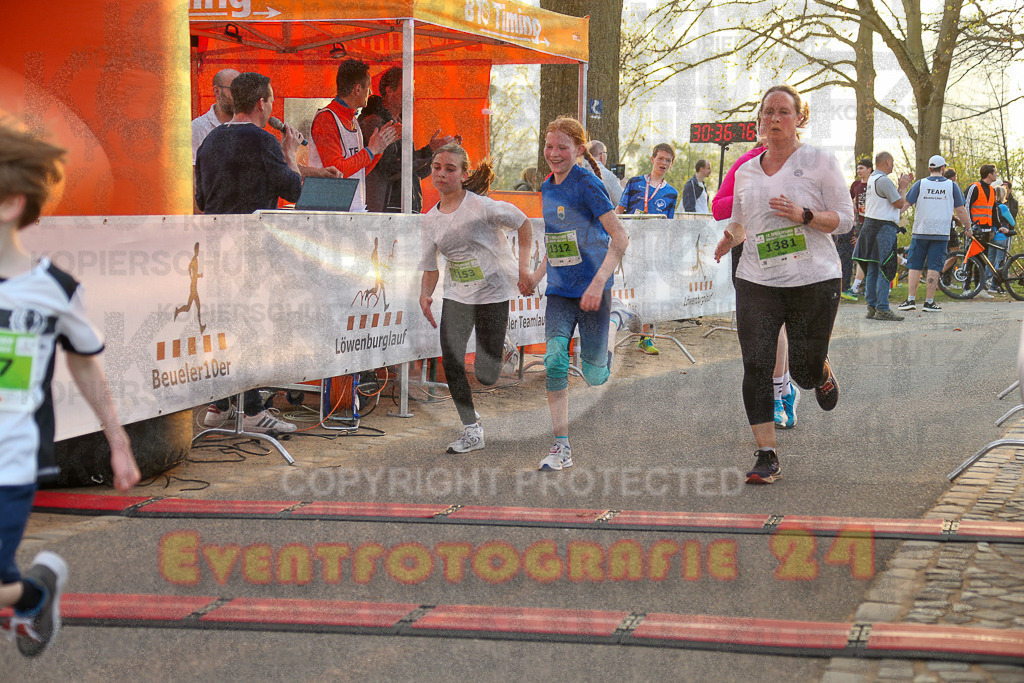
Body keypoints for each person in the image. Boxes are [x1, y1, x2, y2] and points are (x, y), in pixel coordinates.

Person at [0, 123, 141, 657]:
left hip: (11, 457)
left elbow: (87, 368)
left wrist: (119, 444)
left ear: (11, 203)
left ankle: (34, 595)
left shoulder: (54, 290)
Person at [713, 84, 853, 484]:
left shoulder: (820, 162)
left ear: (799, 119)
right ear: (759, 120)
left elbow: (845, 219)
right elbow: (741, 221)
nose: (773, 119)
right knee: (755, 365)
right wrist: (730, 238)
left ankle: (820, 373)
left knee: (803, 371)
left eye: (782, 112)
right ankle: (766, 454)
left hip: (814, 279)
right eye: (767, 112)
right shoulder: (745, 171)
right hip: (758, 279)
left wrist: (804, 215)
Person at [194, 72, 309, 434]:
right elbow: (293, 189)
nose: (273, 106)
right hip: (251, 251)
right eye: (272, 100)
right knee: (250, 329)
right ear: (262, 103)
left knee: (225, 327)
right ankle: (254, 411)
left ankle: (222, 402)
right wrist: (290, 152)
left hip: (215, 249)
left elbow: (200, 198)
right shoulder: (263, 141)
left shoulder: (210, 140)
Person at [418, 144, 534, 453]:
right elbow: (430, 266)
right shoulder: (430, 220)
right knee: (453, 360)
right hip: (457, 293)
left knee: (486, 375)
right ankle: (472, 430)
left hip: (493, 292)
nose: (441, 173)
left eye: (450, 168)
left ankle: (502, 347)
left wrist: (524, 267)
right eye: (436, 167)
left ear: (464, 175)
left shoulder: (482, 207)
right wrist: (425, 294)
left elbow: (524, 223)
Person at [533, 116, 628, 471]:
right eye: (549, 146)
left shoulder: (587, 183)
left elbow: (620, 239)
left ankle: (617, 316)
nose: (554, 154)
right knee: (554, 359)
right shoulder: (547, 185)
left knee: (595, 375)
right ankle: (561, 446)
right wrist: (535, 275)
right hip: (560, 289)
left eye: (562, 148)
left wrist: (597, 283)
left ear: (578, 150)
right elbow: (555, 241)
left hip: (593, 288)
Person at [712, 117, 799, 430]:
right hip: (748, 250)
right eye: (766, 124)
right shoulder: (746, 162)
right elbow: (718, 206)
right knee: (763, 328)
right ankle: (781, 390)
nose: (771, 131)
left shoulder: (804, 161)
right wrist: (749, 196)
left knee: (782, 326)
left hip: (788, 248)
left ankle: (781, 392)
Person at [358, 67, 454, 213]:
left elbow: (414, 173)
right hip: (386, 210)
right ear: (389, 90)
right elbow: (390, 169)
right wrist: (428, 151)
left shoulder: (400, 123)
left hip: (404, 207)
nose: (413, 97)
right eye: (408, 89)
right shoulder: (374, 122)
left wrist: (436, 155)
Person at [309, 59, 401, 212]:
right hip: (330, 212)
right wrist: (371, 151)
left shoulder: (353, 120)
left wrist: (379, 149)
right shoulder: (326, 119)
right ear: (358, 89)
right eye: (368, 87)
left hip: (353, 210)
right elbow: (336, 172)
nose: (371, 92)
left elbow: (359, 171)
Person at [616, 143, 677, 354]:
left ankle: (645, 337)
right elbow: (619, 211)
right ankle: (611, 334)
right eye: (660, 158)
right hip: (629, 245)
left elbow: (667, 225)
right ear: (652, 159)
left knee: (650, 292)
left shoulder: (671, 193)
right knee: (623, 289)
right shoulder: (634, 183)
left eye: (668, 160)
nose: (664, 163)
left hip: (652, 249)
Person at [896, 155, 970, 312]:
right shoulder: (952, 186)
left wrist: (892, 219)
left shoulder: (920, 184)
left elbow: (905, 205)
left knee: (914, 265)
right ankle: (929, 302)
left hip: (920, 231)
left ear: (929, 168)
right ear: (943, 168)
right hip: (941, 232)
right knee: (934, 266)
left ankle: (910, 300)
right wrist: (968, 227)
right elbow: (961, 210)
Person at [851, 151, 913, 320]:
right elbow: (899, 204)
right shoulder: (884, 180)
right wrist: (904, 186)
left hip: (869, 226)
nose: (893, 166)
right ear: (886, 162)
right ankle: (883, 308)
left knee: (871, 268)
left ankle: (872, 306)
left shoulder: (872, 179)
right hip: (883, 228)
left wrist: (899, 186)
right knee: (885, 268)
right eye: (892, 163)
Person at [192, 69, 239, 214]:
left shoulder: (246, 126)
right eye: (234, 90)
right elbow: (192, 178)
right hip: (211, 217)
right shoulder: (198, 127)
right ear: (217, 92)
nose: (240, 96)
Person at [963, 164, 1000, 299]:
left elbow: (993, 210)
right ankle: (966, 288)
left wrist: (998, 226)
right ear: (989, 174)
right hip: (974, 231)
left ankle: (980, 288)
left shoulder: (992, 190)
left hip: (986, 231)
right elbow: (966, 206)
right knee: (970, 259)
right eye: (995, 172)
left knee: (983, 260)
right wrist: (968, 227)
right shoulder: (974, 187)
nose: (996, 174)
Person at [841, 158, 871, 300]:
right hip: (860, 223)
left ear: (869, 169)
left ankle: (860, 287)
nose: (859, 171)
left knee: (866, 255)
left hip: (872, 222)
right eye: (857, 168)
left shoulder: (874, 183)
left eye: (862, 168)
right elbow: (847, 199)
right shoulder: (856, 185)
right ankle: (859, 286)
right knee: (861, 255)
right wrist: (851, 207)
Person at [985, 185, 1016, 293]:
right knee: (1000, 261)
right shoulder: (1003, 207)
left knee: (990, 261)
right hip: (1002, 237)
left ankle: (984, 283)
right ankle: (994, 285)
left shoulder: (990, 207)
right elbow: (1012, 222)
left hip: (991, 236)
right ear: (1003, 195)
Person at [583, 140, 623, 205]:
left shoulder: (577, 172)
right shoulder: (607, 175)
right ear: (601, 155)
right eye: (605, 153)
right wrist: (622, 186)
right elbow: (620, 202)